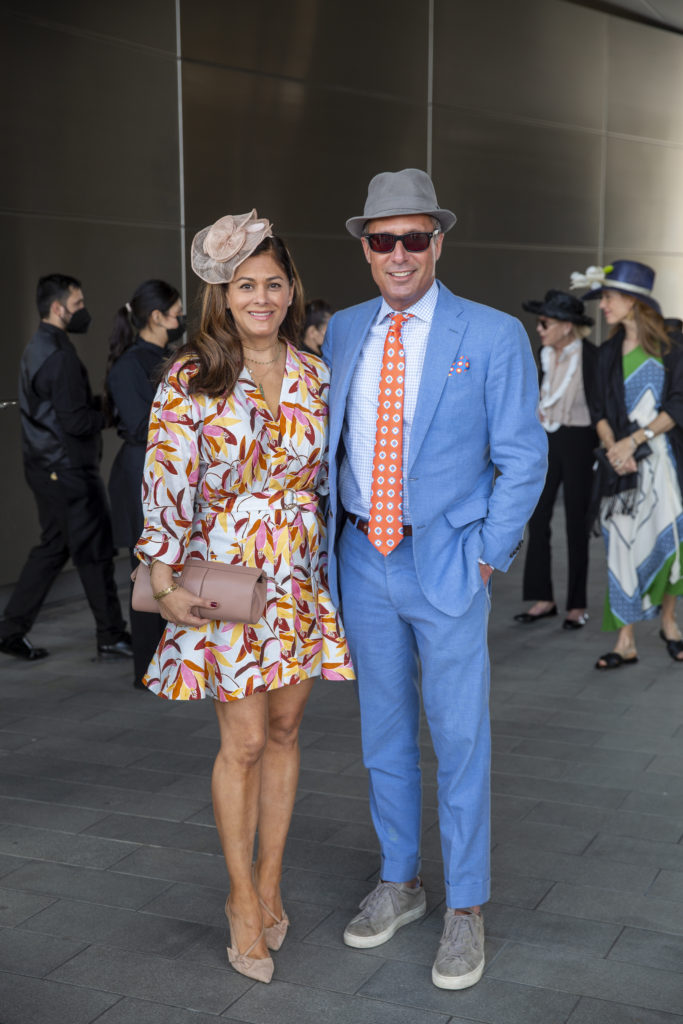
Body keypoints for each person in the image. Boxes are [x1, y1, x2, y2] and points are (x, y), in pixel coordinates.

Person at [322, 169, 547, 990]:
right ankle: (401, 881)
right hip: (360, 559)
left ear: (437, 242)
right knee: (383, 736)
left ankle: (466, 907)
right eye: (382, 240)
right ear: (365, 249)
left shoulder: (487, 336)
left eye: (414, 237)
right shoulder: (342, 332)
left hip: (446, 562)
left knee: (458, 739)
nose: (398, 253)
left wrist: (487, 552)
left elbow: (522, 456)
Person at [135, 210, 353, 984]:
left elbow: (327, 483)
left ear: (291, 290)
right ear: (222, 295)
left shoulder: (316, 373)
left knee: (288, 732)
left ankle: (269, 882)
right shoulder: (191, 376)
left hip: (295, 579)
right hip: (224, 583)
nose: (259, 297)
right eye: (244, 285)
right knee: (246, 743)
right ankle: (237, 897)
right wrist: (163, 585)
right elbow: (165, 486)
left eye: (272, 283)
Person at [0, 274, 132, 662]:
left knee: (54, 548)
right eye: (78, 304)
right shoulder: (59, 357)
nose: (83, 311)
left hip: (45, 467)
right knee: (94, 552)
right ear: (58, 309)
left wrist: (97, 406)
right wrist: (113, 413)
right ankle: (110, 635)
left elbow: (63, 408)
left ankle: (10, 630)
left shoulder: (38, 347)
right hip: (68, 470)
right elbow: (74, 421)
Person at [570, 261, 683, 669]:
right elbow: (598, 409)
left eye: (609, 298)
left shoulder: (672, 347)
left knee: (671, 544)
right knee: (620, 545)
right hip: (620, 469)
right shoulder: (604, 354)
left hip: (663, 466)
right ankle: (625, 640)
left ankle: (669, 623)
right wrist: (614, 449)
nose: (603, 307)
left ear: (633, 302)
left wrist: (634, 440)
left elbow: (677, 405)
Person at [105, 280, 185, 688]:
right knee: (147, 567)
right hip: (140, 473)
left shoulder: (165, 356)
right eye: (176, 313)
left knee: (165, 564)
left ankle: (165, 661)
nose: (180, 320)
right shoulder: (130, 364)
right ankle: (147, 668)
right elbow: (139, 425)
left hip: (159, 469)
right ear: (157, 317)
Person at [514, 290, 597, 629]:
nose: (539, 329)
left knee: (576, 524)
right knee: (537, 518)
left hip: (580, 441)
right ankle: (543, 598)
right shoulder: (544, 354)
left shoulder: (592, 357)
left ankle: (576, 605)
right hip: (546, 439)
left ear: (566, 326)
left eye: (544, 322)